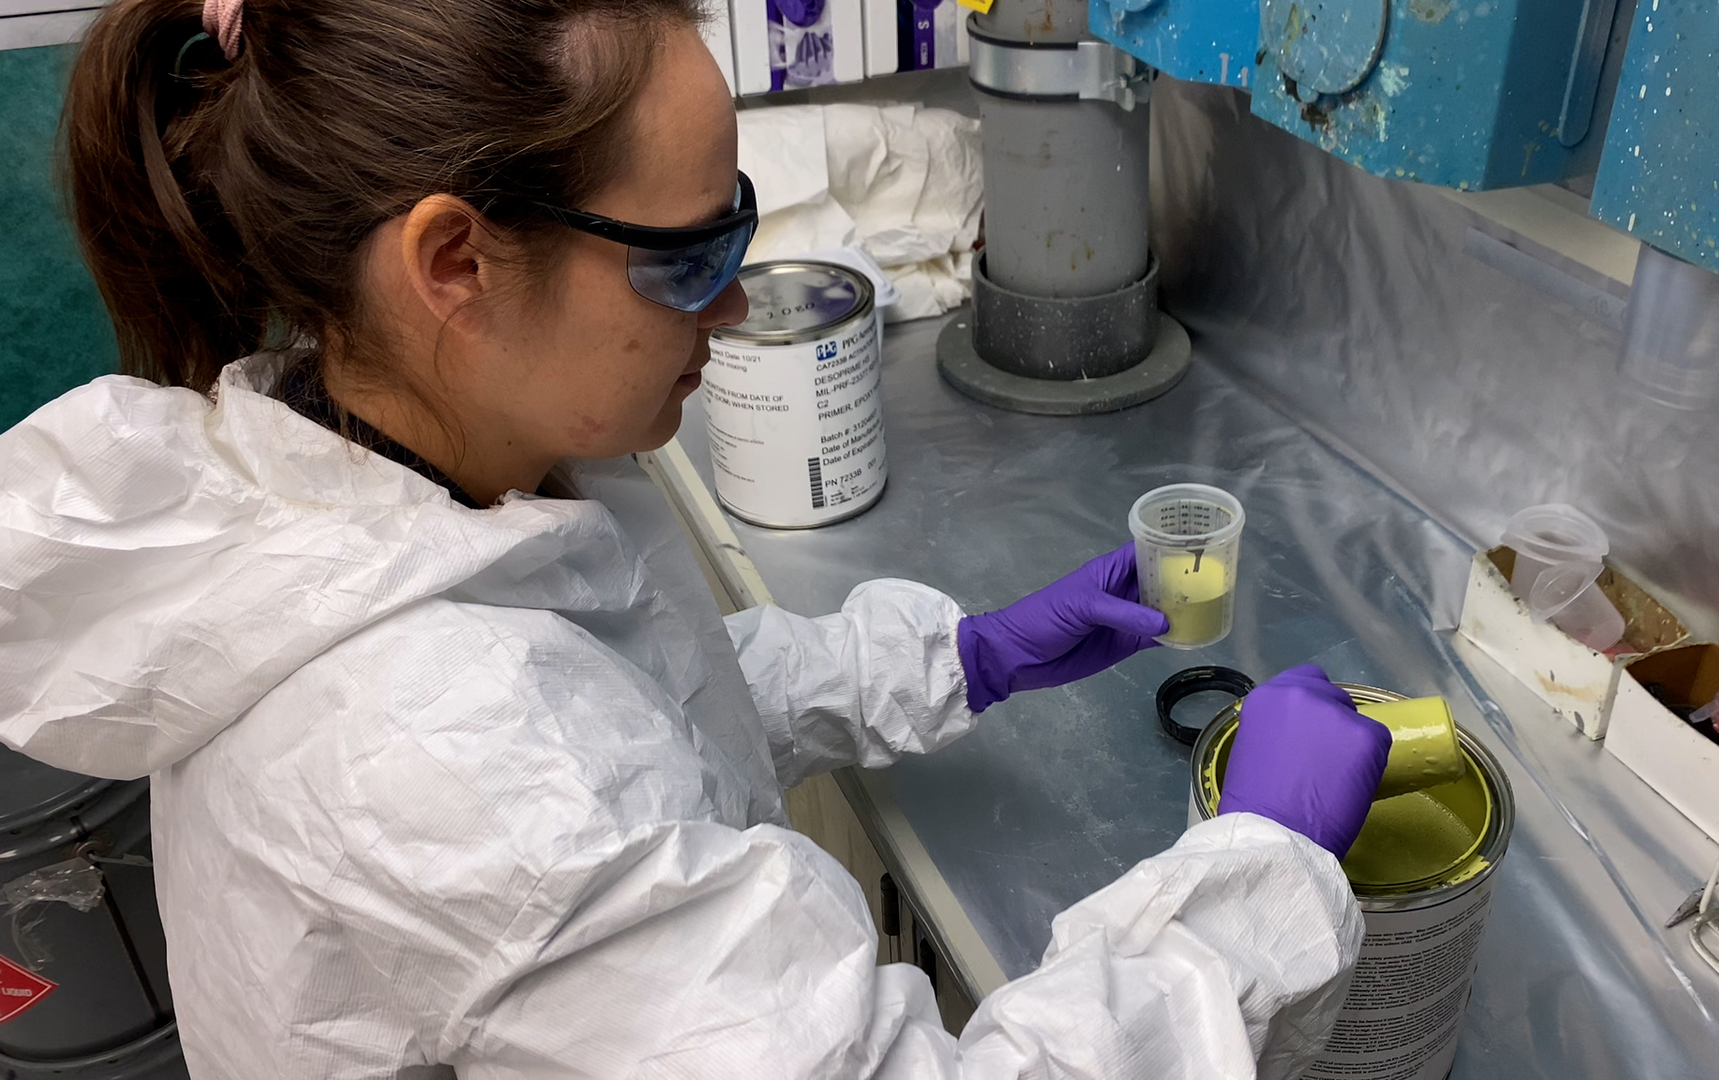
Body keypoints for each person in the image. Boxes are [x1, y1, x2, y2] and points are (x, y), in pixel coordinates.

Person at [0, 0, 1393, 1073]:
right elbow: (560, 789)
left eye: (739, 227)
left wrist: (958, 660)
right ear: (454, 264)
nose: (734, 308)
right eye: (689, 255)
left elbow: (639, 708)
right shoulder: (440, 767)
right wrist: (1255, 877)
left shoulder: (354, 470)